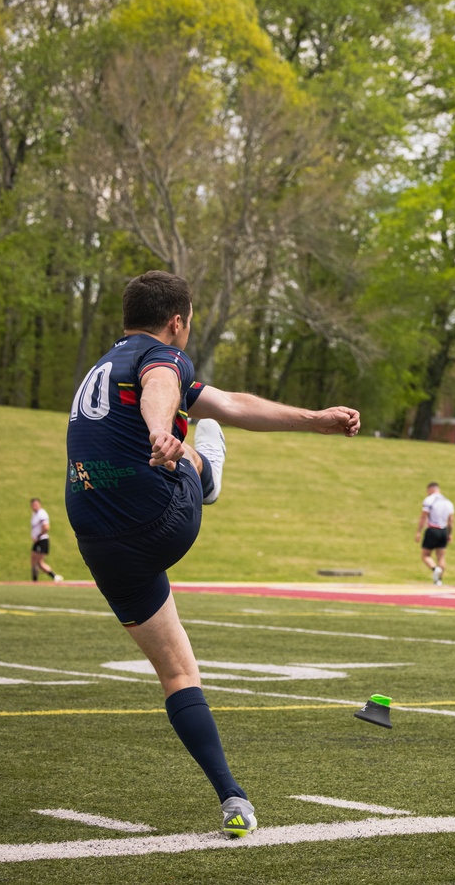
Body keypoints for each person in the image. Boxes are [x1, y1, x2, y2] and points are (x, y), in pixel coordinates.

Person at [65, 271, 359, 838]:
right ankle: (207, 472)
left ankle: (233, 797)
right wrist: (161, 434)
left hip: (97, 541)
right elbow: (160, 389)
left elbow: (231, 402)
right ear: (177, 321)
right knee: (195, 448)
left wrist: (314, 420)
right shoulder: (160, 359)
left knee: (177, 671)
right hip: (159, 519)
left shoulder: (103, 369)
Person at [417, 482, 455, 585]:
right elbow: (451, 520)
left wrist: (418, 531)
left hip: (432, 529)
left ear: (430, 489)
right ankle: (439, 580)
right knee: (441, 557)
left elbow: (424, 516)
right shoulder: (448, 502)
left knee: (425, 555)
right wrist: (449, 533)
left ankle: (435, 569)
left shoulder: (429, 500)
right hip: (443, 530)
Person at [29, 498, 63, 582]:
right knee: (33, 561)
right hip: (37, 541)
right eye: (33, 505)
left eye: (36, 504)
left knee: (39, 562)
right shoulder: (34, 514)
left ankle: (54, 577)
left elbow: (46, 527)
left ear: (40, 504)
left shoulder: (42, 514)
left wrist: (38, 536)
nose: (34, 506)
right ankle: (34, 580)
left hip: (42, 540)